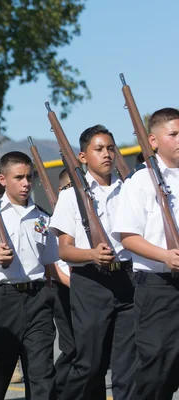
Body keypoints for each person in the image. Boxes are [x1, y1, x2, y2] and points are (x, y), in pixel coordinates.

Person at [0, 151, 58, 400]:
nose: (26, 183)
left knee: (43, 376)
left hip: (37, 299)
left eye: (29, 177)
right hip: (1, 300)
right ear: (3, 180)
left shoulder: (41, 217)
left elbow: (48, 263)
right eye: (19, 177)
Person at [50, 125, 136, 400]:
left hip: (128, 280)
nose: (107, 154)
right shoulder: (70, 196)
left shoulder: (130, 190)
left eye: (110, 148)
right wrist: (91, 255)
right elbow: (64, 250)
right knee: (90, 364)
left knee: (127, 367)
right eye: (98, 149)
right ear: (83, 157)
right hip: (91, 283)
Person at [112, 107, 179, 399]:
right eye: (174, 134)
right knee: (157, 367)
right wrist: (165, 256)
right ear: (152, 140)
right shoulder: (140, 181)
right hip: (158, 287)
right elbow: (127, 237)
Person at [49, 169, 77, 398]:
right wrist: (71, 283)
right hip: (64, 289)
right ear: (60, 191)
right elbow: (52, 266)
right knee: (71, 347)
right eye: (69, 187)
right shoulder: (51, 220)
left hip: (85, 289)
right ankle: (56, 391)